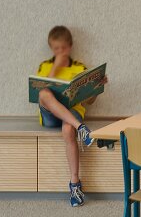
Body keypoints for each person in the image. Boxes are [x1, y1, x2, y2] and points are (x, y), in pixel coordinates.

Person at [34, 24, 98, 206]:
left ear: (70, 47)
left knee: (68, 129)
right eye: (56, 49)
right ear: (51, 49)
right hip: (49, 115)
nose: (60, 51)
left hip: (72, 112)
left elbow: (89, 102)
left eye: (63, 48)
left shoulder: (80, 68)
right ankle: (82, 128)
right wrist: (56, 66)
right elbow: (40, 88)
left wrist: (96, 88)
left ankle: (75, 184)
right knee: (44, 94)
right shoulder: (46, 66)